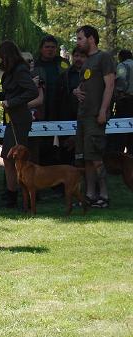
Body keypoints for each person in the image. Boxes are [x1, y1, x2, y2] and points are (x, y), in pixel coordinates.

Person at [0, 40, 38, 208]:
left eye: (1, 56)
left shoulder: (20, 70)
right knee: (9, 159)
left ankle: (15, 196)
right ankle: (13, 194)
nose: (0, 60)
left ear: (7, 55)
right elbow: (11, 92)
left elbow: (32, 91)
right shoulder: (12, 71)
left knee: (13, 159)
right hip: (13, 119)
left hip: (19, 120)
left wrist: (12, 102)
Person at [73, 25, 115, 208]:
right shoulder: (87, 62)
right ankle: (90, 196)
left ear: (91, 38)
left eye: (80, 38)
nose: (78, 42)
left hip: (95, 116)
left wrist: (103, 111)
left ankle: (104, 196)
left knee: (96, 157)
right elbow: (85, 86)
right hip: (83, 117)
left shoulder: (104, 58)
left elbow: (110, 86)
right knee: (87, 158)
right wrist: (76, 91)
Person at [34, 35, 70, 166]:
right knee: (41, 142)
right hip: (41, 108)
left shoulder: (64, 64)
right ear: (41, 49)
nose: (50, 50)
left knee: (63, 142)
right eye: (47, 47)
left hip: (61, 107)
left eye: (53, 47)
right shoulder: (34, 64)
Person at [55, 47, 87, 164]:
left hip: (87, 120)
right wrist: (73, 93)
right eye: (76, 56)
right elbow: (59, 100)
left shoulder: (94, 74)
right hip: (67, 122)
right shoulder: (65, 76)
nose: (78, 59)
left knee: (87, 159)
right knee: (67, 157)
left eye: (82, 56)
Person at [114, 49, 133, 154]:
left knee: (122, 132)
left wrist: (119, 92)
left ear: (121, 57)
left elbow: (121, 79)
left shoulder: (122, 66)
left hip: (126, 101)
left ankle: (121, 160)